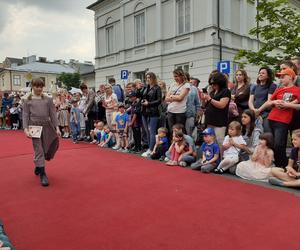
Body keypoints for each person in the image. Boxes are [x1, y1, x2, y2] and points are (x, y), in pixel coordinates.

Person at [257, 68, 300, 167]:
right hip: (270, 118)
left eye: (283, 77)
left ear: (290, 77)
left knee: (279, 144)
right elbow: (269, 102)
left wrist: (287, 105)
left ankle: (282, 166)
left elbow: (297, 103)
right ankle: (274, 164)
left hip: (283, 121)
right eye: (280, 77)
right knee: (269, 143)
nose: (280, 79)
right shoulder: (279, 89)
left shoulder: (297, 90)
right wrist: (273, 103)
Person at [22, 78, 60, 187]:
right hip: (34, 126)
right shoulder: (26, 99)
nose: (39, 88)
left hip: (47, 126)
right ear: (32, 86)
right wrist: (25, 129)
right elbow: (25, 115)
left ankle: (38, 165)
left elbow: (53, 114)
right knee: (39, 149)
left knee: (50, 146)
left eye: (41, 86)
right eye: (36, 86)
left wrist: (57, 128)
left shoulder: (48, 99)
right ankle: (43, 174)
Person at [201, 71, 231, 147]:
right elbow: (205, 106)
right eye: (211, 83)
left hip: (219, 122)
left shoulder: (225, 91)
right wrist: (203, 99)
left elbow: (222, 105)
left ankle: (220, 158)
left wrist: (210, 99)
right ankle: (210, 158)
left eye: (214, 83)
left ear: (220, 82)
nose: (212, 85)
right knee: (209, 142)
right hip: (210, 121)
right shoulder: (212, 92)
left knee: (219, 142)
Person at [248, 67, 277, 132]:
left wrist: (259, 110)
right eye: (259, 73)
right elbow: (250, 101)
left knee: (267, 131)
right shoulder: (255, 86)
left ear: (268, 76)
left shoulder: (272, 85)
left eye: (263, 73)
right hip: (254, 113)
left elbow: (269, 101)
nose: (260, 74)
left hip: (266, 114)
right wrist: (253, 110)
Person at [141, 72, 162, 157]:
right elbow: (142, 97)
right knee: (147, 131)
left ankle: (151, 149)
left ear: (153, 78)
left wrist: (148, 103)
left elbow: (159, 100)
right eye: (146, 78)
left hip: (153, 112)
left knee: (152, 131)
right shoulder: (146, 87)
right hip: (144, 111)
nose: (148, 79)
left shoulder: (157, 88)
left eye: (149, 77)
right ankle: (150, 148)